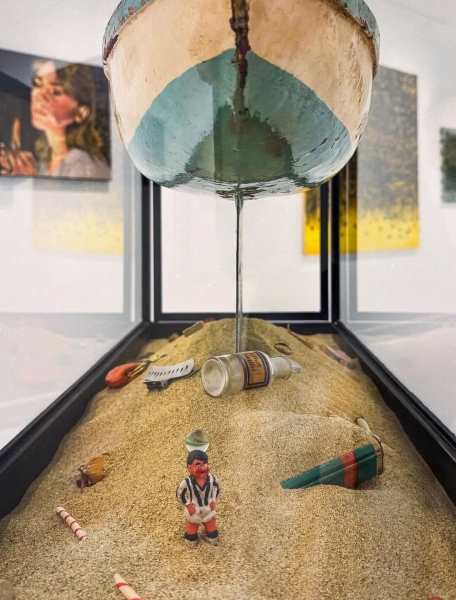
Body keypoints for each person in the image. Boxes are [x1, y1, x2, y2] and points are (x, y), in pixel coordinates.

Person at [0, 60, 110, 179]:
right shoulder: (47, 163)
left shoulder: (81, 166)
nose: (40, 97)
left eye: (55, 92)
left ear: (81, 112)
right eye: (37, 84)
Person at [176, 449, 221, 548]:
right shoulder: (187, 482)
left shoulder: (212, 479)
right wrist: (188, 504)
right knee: (191, 529)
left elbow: (216, 488)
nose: (203, 468)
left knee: (211, 527)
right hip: (194, 511)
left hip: (208, 509)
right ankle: (191, 538)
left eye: (205, 464)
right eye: (198, 466)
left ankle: (211, 536)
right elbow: (180, 493)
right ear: (189, 467)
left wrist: (213, 500)